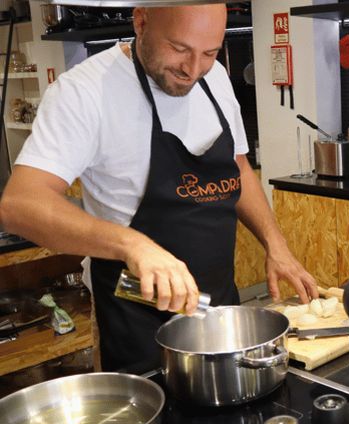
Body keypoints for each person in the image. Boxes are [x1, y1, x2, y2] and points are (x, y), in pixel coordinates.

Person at [0, 5, 317, 373]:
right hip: (138, 327)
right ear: (141, 21)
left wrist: (275, 245)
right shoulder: (83, 92)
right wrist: (132, 244)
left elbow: (238, 166)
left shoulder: (215, 79)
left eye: (210, 53)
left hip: (218, 311)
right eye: (179, 48)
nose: (193, 69)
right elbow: (20, 204)